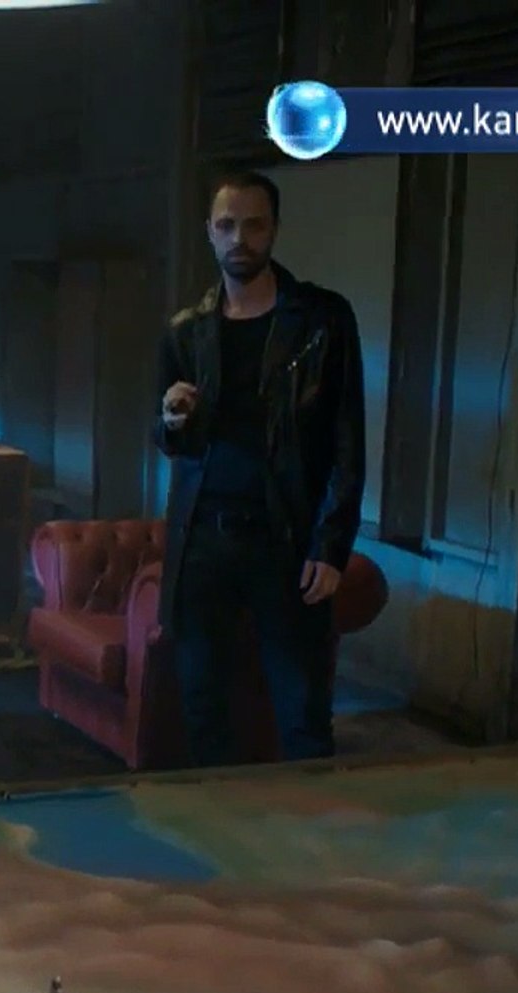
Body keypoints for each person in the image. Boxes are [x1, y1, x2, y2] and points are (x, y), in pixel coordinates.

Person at [153, 171, 364, 767]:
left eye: (253, 225)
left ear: (274, 230)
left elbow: (348, 439)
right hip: (202, 540)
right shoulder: (186, 330)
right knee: (201, 707)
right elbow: (167, 440)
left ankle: (306, 823)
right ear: (209, 232)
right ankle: (222, 824)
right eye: (226, 226)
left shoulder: (322, 321)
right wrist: (171, 420)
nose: (239, 238)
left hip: (286, 540)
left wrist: (332, 545)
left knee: (302, 712)